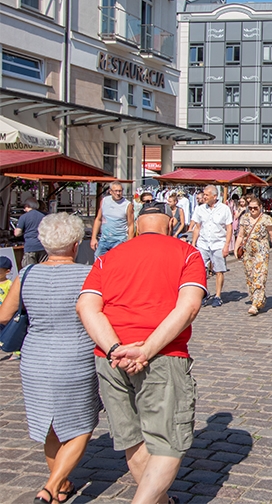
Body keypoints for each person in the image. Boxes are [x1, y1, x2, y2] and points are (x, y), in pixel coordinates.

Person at [76, 202, 206, 504]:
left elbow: (86, 306)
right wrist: (145, 350)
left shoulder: (107, 258)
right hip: (162, 355)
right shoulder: (187, 253)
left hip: (111, 358)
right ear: (172, 223)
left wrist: (114, 348)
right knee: (168, 441)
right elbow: (188, 307)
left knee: (131, 437)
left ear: (136, 226)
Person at [1, 213, 99, 503]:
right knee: (82, 424)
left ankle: (62, 484)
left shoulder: (27, 274)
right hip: (76, 355)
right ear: (75, 244)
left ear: (43, 242)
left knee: (49, 424)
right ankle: (51, 486)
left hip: (35, 358)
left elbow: (5, 315)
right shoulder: (88, 275)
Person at [234, 196, 272, 316]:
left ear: (260, 207)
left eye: (255, 208)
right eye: (250, 208)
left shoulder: (266, 219)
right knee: (250, 275)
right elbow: (241, 235)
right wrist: (236, 248)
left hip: (261, 250)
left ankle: (255, 303)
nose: (252, 210)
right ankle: (257, 298)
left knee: (260, 275)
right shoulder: (245, 218)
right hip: (248, 251)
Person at [191, 185, 233, 308]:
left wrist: (226, 246)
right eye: (204, 194)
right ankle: (204, 293)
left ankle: (218, 295)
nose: (204, 197)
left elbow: (229, 228)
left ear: (215, 196)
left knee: (219, 270)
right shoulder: (200, 209)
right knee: (200, 269)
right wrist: (194, 244)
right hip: (203, 243)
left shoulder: (224, 209)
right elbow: (197, 227)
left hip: (218, 243)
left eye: (207, 195)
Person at [90, 182, 134, 257]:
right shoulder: (104, 201)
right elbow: (98, 219)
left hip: (119, 239)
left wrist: (129, 242)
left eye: (120, 191)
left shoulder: (127, 204)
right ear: (110, 191)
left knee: (115, 262)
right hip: (104, 239)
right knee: (98, 261)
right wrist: (93, 238)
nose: (118, 193)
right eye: (115, 191)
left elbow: (131, 225)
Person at [15, 197, 47, 266]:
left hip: (30, 246)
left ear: (28, 206)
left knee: (29, 270)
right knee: (43, 269)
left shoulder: (24, 217)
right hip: (43, 246)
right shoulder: (44, 216)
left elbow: (17, 233)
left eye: (25, 207)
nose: (24, 209)